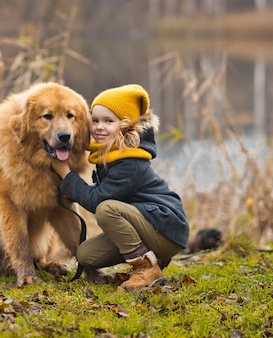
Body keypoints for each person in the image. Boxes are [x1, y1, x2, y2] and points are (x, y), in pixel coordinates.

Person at [51, 84, 189, 292]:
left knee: (106, 209)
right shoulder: (110, 151)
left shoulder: (130, 161)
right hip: (147, 224)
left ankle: (146, 268)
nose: (99, 127)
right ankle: (154, 257)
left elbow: (97, 201)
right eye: (94, 120)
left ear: (125, 125)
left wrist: (66, 175)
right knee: (86, 255)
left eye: (108, 121)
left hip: (165, 227)